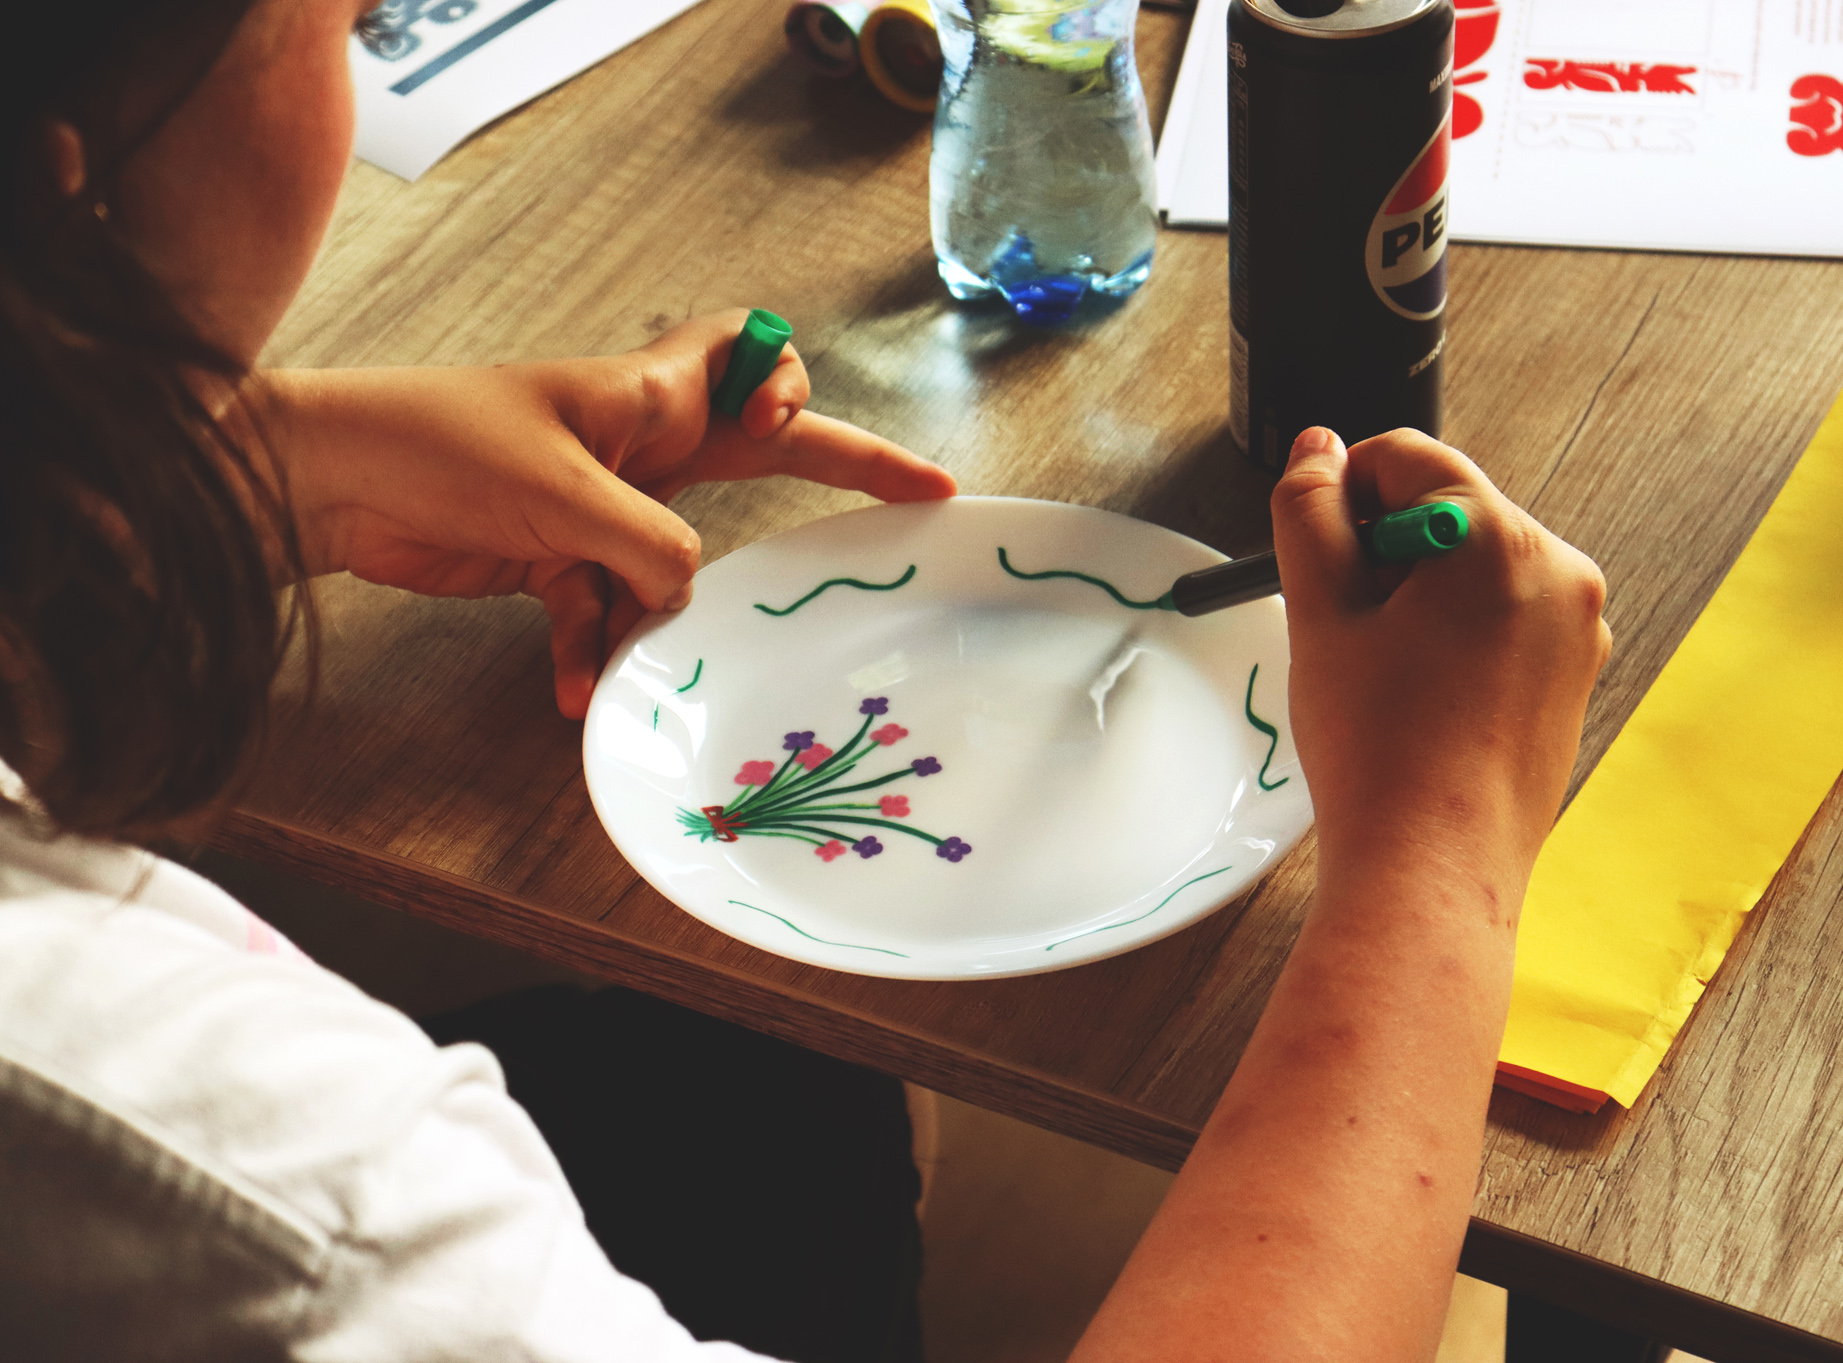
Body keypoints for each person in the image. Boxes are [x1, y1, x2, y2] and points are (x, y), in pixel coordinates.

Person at [0, 2, 1611, 1361]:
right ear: (61, 194)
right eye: (339, 22)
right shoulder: (272, 1197)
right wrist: (1441, 854)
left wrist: (232, 470)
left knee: (782, 1081)